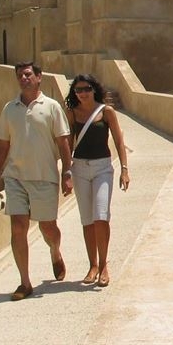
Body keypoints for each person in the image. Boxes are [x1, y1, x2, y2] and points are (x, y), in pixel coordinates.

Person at [0, 61, 73, 301]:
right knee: (18, 227)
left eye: (28, 74)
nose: (23, 78)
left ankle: (55, 251)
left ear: (39, 77)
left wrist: (67, 173)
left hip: (44, 176)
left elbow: (63, 142)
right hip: (15, 177)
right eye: (20, 75)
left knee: (48, 228)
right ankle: (25, 282)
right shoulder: (10, 108)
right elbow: (2, 144)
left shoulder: (51, 107)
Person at [65, 73, 129, 287]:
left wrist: (125, 169)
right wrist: (66, 172)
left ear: (94, 89)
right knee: (87, 220)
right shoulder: (72, 113)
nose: (82, 93)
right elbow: (66, 144)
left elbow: (119, 141)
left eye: (86, 89)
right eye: (78, 90)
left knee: (101, 216)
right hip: (80, 168)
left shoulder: (106, 111)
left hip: (102, 167)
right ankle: (92, 265)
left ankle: (104, 265)